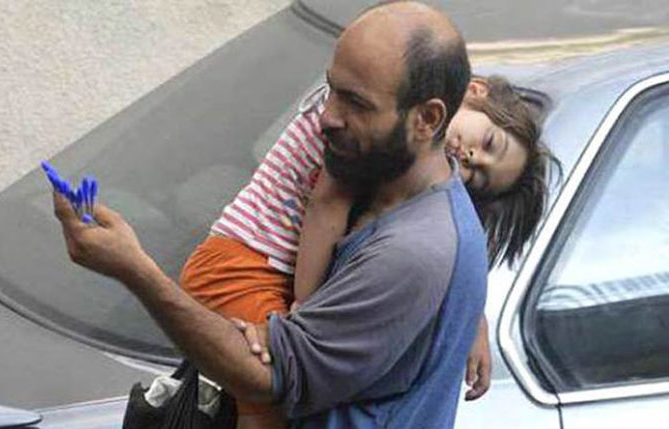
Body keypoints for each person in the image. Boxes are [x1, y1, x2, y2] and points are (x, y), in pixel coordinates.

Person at [50, 2, 540, 428]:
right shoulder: (390, 183)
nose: (326, 117)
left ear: (428, 119)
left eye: (356, 102)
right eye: (332, 90)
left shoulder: (415, 248)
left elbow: (272, 377)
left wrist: (134, 269)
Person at [178, 72, 555, 427]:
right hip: (241, 266)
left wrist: (473, 317)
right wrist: (305, 312)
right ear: (475, 90)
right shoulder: (380, 127)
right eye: (489, 143)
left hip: (262, 269)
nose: (473, 158)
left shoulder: (408, 160)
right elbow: (327, 205)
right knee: (270, 393)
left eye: (479, 176)